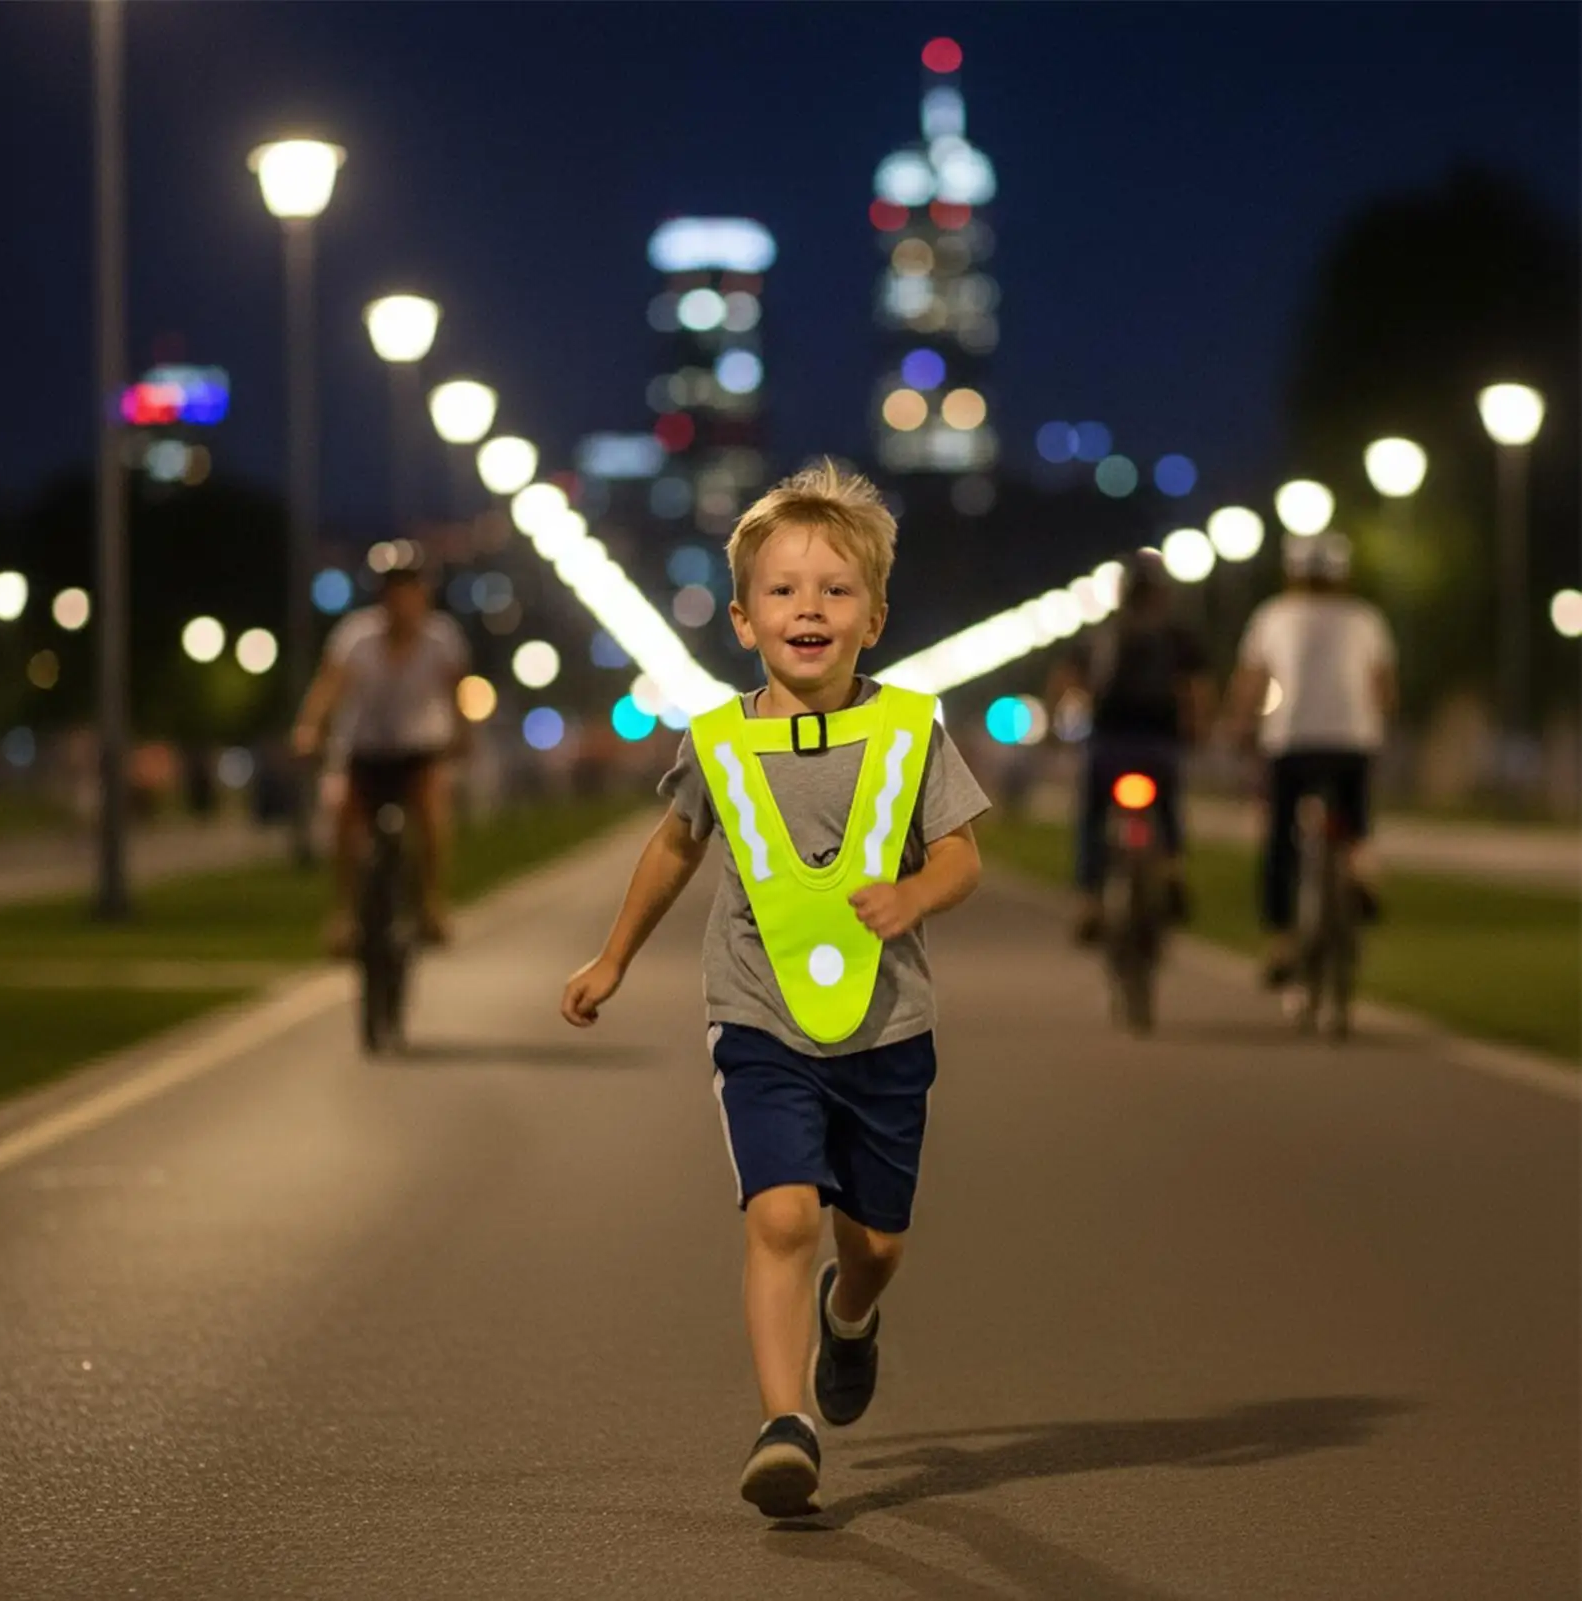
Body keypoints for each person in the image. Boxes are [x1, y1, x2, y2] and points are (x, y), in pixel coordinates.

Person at [559, 462, 988, 1519]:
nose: (810, 608)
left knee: (873, 1242)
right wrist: (610, 957)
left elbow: (962, 856)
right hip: (755, 1011)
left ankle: (850, 1321)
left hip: (889, 1025)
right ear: (743, 620)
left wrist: (914, 895)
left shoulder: (909, 731)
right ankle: (782, 1421)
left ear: (874, 618)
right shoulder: (716, 740)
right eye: (786, 592)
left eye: (836, 590)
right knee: (783, 1213)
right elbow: (672, 848)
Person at [1228, 530, 1397, 987]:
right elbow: (1383, 687)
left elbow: (1252, 681)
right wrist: (1379, 725)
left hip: (1292, 741)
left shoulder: (1274, 615)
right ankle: (1361, 873)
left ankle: (1282, 941)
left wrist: (1242, 726)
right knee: (1356, 822)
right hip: (1351, 742)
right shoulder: (1366, 619)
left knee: (1280, 840)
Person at [292, 559, 471, 954]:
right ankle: (344, 914)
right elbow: (329, 685)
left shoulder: (443, 637)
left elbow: (458, 694)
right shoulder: (355, 635)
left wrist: (463, 736)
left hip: (419, 748)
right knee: (346, 820)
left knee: (430, 812)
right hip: (365, 748)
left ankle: (430, 902)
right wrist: (308, 728)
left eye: (410, 588)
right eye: (393, 589)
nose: (401, 599)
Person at [1050, 551, 1214, 945]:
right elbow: (1197, 691)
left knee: (1091, 816)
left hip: (1108, 746)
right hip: (1159, 745)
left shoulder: (1101, 633)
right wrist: (1199, 731)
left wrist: (1058, 727)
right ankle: (1173, 870)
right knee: (1170, 806)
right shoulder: (1178, 636)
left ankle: (1089, 901)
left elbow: (1066, 682)